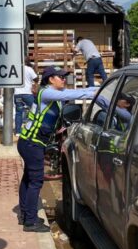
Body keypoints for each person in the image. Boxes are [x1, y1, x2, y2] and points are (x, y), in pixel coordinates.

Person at [17, 66, 98, 232]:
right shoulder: (47, 92)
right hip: (32, 143)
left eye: (64, 77)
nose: (63, 79)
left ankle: (26, 214)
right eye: (60, 77)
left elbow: (69, 95)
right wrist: (94, 93)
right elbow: (71, 94)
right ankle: (30, 222)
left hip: (31, 142)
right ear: (50, 79)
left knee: (28, 178)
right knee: (36, 180)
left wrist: (96, 88)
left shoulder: (54, 96)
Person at [14, 59, 38, 137]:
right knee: (36, 110)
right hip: (27, 94)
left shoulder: (15, 68)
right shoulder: (29, 69)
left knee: (19, 112)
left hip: (17, 94)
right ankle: (33, 128)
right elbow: (36, 79)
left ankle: (18, 132)